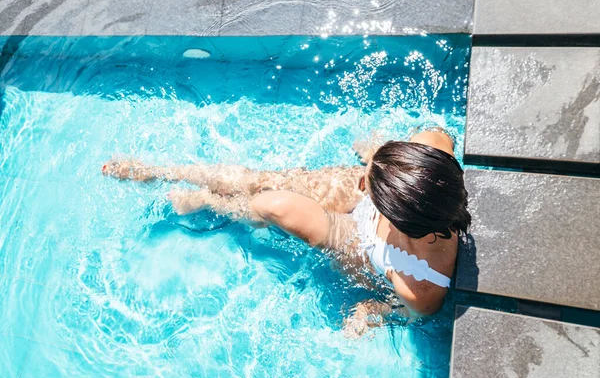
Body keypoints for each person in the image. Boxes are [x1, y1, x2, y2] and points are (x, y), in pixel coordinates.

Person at [102, 128, 470, 336]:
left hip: (359, 242)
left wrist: (371, 311)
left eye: (368, 178)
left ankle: (206, 202)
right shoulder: (434, 157)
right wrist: (389, 164)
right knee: (258, 180)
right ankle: (163, 171)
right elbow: (438, 134)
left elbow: (405, 312)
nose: (361, 179)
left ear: (397, 217)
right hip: (391, 195)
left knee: (270, 205)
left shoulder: (421, 286)